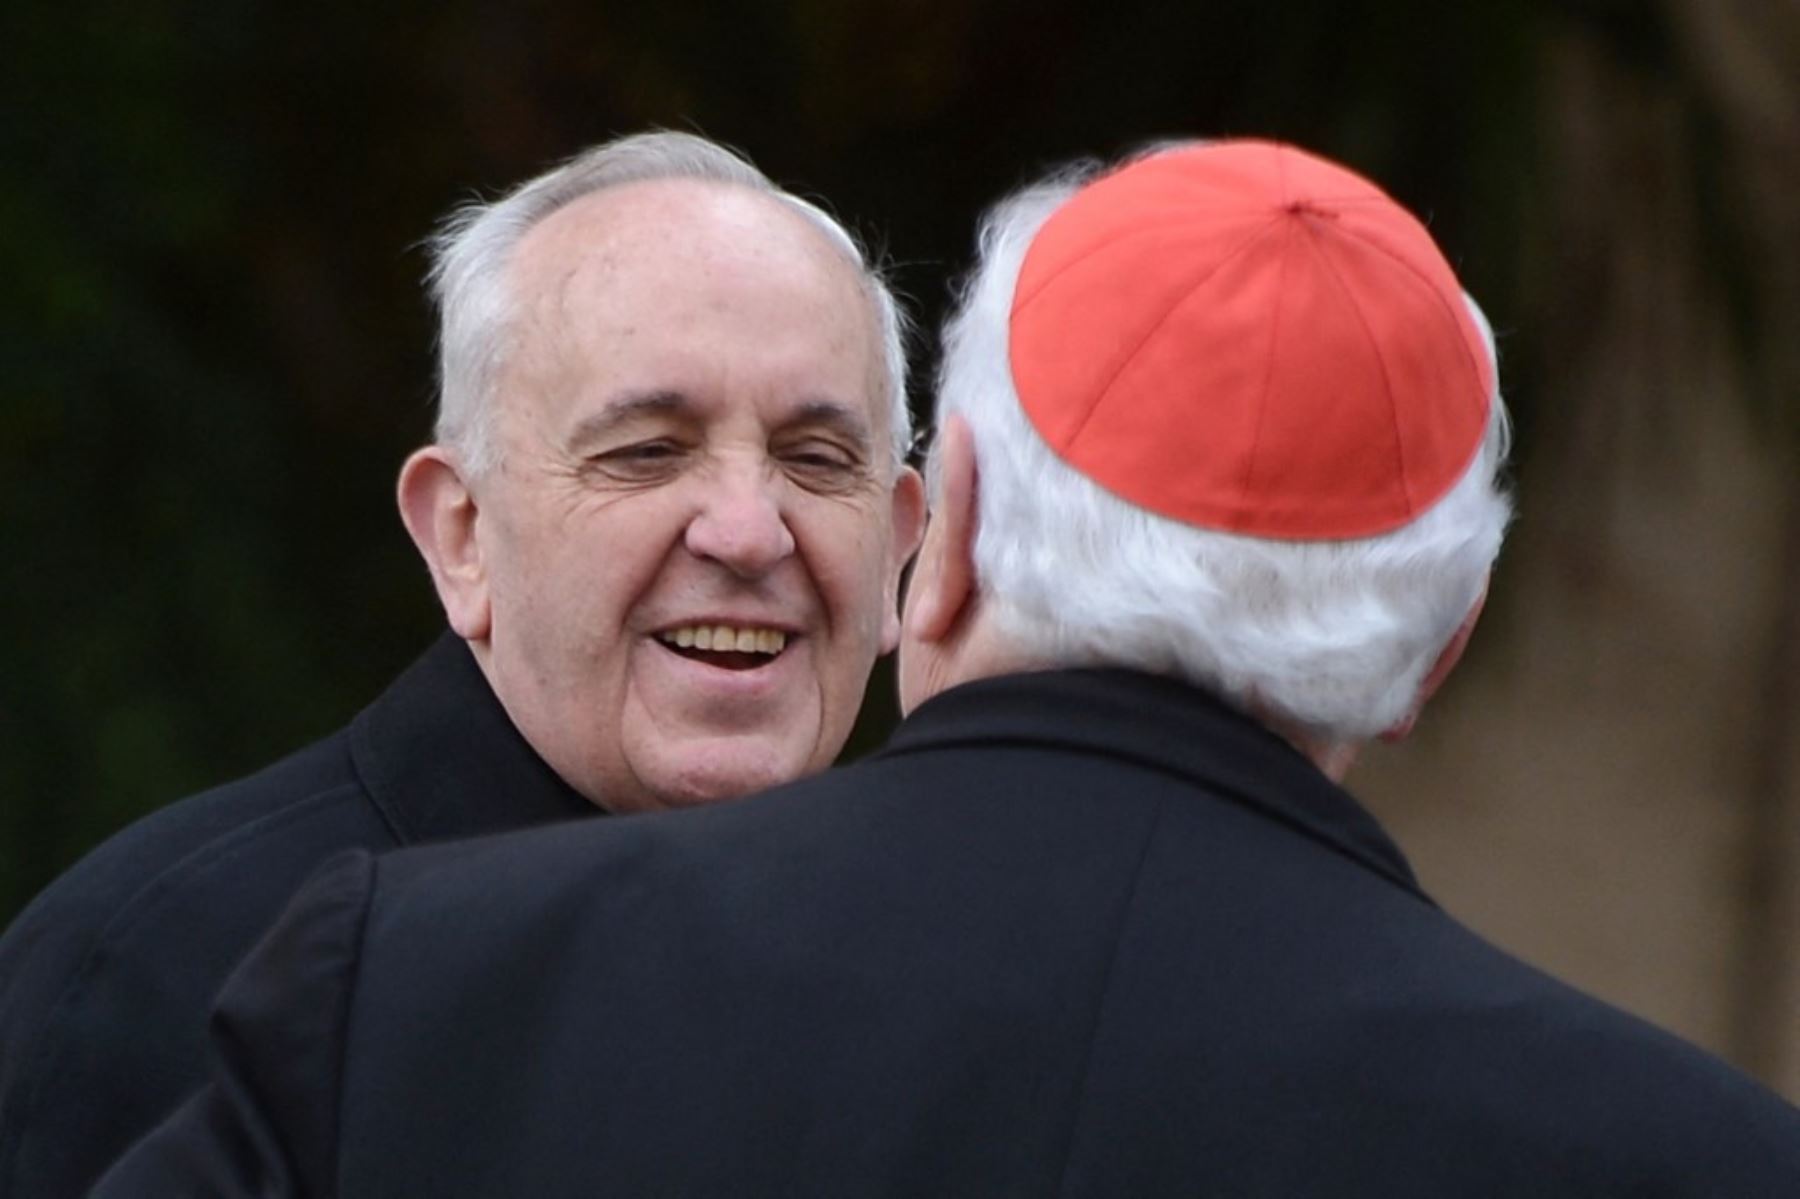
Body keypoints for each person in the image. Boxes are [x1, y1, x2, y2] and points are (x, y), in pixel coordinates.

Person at [96, 140, 1800, 1197]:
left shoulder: (417, 994)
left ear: (947, 518)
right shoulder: (1696, 1157)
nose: (748, 529)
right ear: (1437, 648)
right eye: (647, 448)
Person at [0, 131, 924, 1198]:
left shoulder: (956, 984)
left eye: (816, 459)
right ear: (462, 536)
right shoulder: (166, 976)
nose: (747, 530)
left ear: (899, 546)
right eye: (647, 451)